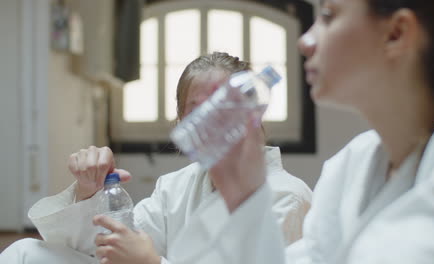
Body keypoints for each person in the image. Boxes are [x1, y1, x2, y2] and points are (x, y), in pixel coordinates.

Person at [160, 0, 434, 263]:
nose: (305, 41)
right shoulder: (351, 166)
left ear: (396, 34)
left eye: (329, 15)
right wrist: (244, 194)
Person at [0, 52, 312, 264]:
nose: (212, 118)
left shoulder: (286, 196)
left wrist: (151, 262)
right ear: (181, 122)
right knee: (24, 253)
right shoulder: (176, 187)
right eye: (196, 109)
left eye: (223, 104)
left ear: (253, 112)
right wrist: (88, 190)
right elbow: (104, 250)